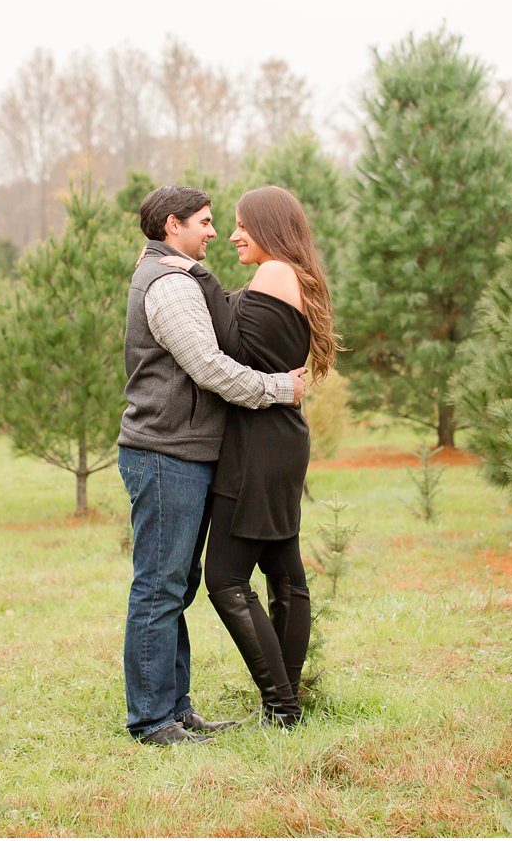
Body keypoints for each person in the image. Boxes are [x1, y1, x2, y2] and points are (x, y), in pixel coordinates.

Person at [119, 184, 306, 747]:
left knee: (176, 584)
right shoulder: (170, 285)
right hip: (164, 452)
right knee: (158, 587)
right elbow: (208, 366)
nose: (213, 231)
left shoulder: (180, 277)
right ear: (172, 225)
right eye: (202, 221)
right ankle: (153, 721)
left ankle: (174, 708)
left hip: (189, 451)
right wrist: (280, 388)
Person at [156, 185, 337, 728]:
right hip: (280, 437)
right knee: (285, 574)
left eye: (240, 225)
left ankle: (282, 708)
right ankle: (284, 709)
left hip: (258, 442)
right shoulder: (294, 274)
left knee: (227, 579)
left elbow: (228, 354)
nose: (232, 235)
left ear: (269, 228)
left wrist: (200, 282)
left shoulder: (275, 272)